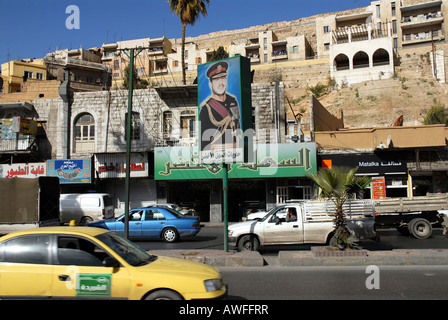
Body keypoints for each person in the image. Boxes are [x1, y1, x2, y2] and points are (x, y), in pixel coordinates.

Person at [199, 61, 242, 152]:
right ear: (211, 84)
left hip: (233, 150)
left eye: (223, 78)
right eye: (217, 80)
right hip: (215, 152)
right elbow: (203, 141)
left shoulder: (233, 101)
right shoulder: (206, 108)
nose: (221, 83)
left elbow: (237, 127)